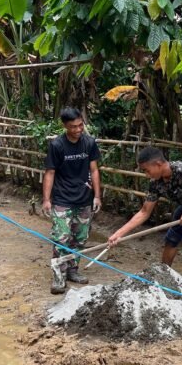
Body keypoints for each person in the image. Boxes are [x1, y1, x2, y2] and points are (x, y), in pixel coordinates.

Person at [107, 146, 182, 309]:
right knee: (171, 240)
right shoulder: (155, 183)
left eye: (146, 170)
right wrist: (119, 233)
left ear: (158, 164)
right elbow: (144, 212)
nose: (146, 175)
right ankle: (164, 279)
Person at [42, 108, 102, 294]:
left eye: (80, 125)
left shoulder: (89, 143)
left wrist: (98, 196)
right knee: (61, 238)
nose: (78, 129)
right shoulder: (57, 145)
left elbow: (94, 170)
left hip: (84, 199)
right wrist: (46, 200)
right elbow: (50, 173)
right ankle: (58, 277)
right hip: (62, 199)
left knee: (80, 238)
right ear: (65, 126)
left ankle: (72, 270)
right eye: (73, 127)